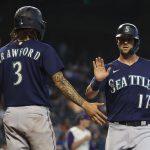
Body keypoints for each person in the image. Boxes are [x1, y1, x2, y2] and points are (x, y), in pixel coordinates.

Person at [0, 6, 107, 150]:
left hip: (11, 114)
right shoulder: (43, 48)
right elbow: (59, 81)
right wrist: (85, 104)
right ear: (37, 25)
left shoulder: (2, 52)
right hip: (35, 114)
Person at [85, 23, 150, 150]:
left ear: (136, 42)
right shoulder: (108, 68)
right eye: (122, 39)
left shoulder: (148, 66)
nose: (125, 42)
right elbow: (89, 94)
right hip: (117, 129)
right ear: (117, 41)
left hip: (145, 129)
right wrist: (97, 81)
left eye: (129, 39)